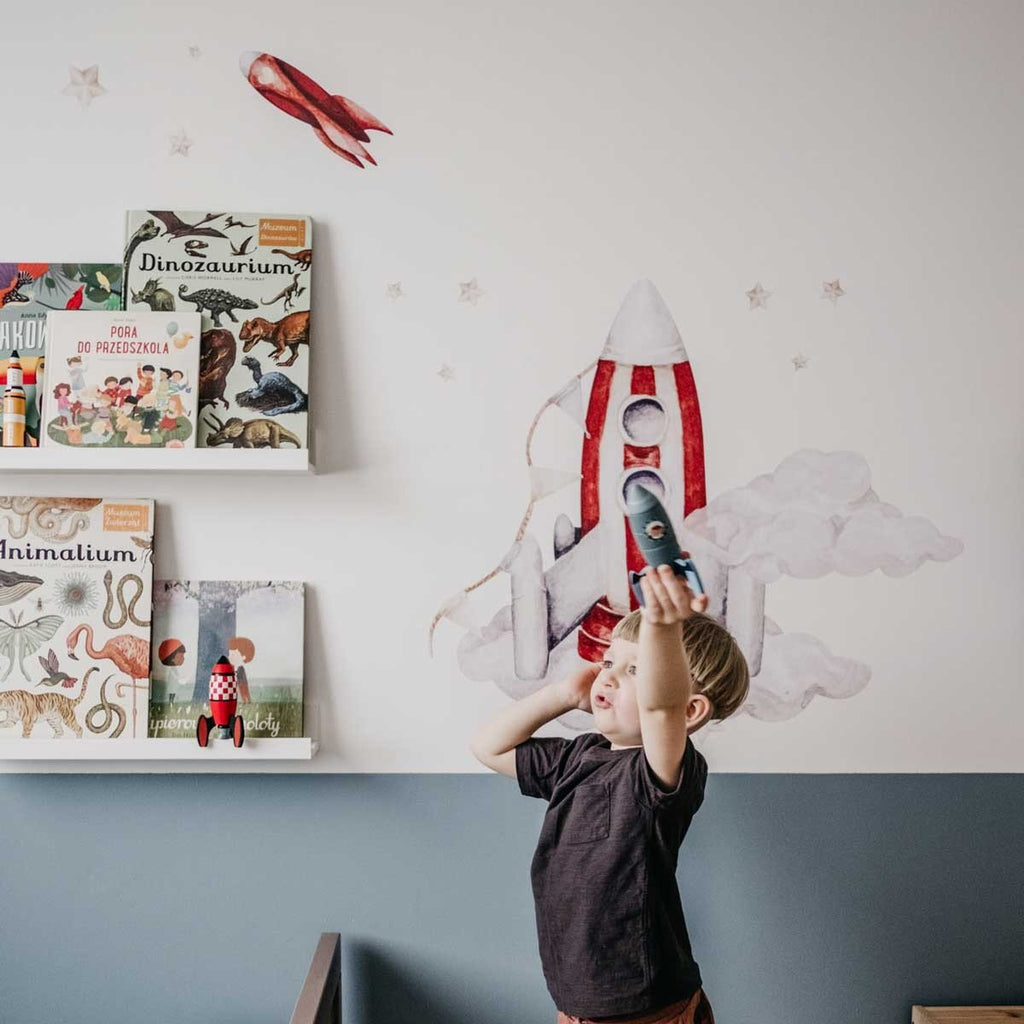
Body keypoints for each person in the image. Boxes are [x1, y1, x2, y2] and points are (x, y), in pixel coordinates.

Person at [471, 562, 750, 1024]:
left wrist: (662, 627)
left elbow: (661, 709)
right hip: (579, 1001)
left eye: (634, 668)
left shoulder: (661, 774)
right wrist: (561, 695)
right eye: (608, 662)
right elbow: (488, 747)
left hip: (644, 1009)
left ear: (690, 711)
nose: (610, 676)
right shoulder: (576, 757)